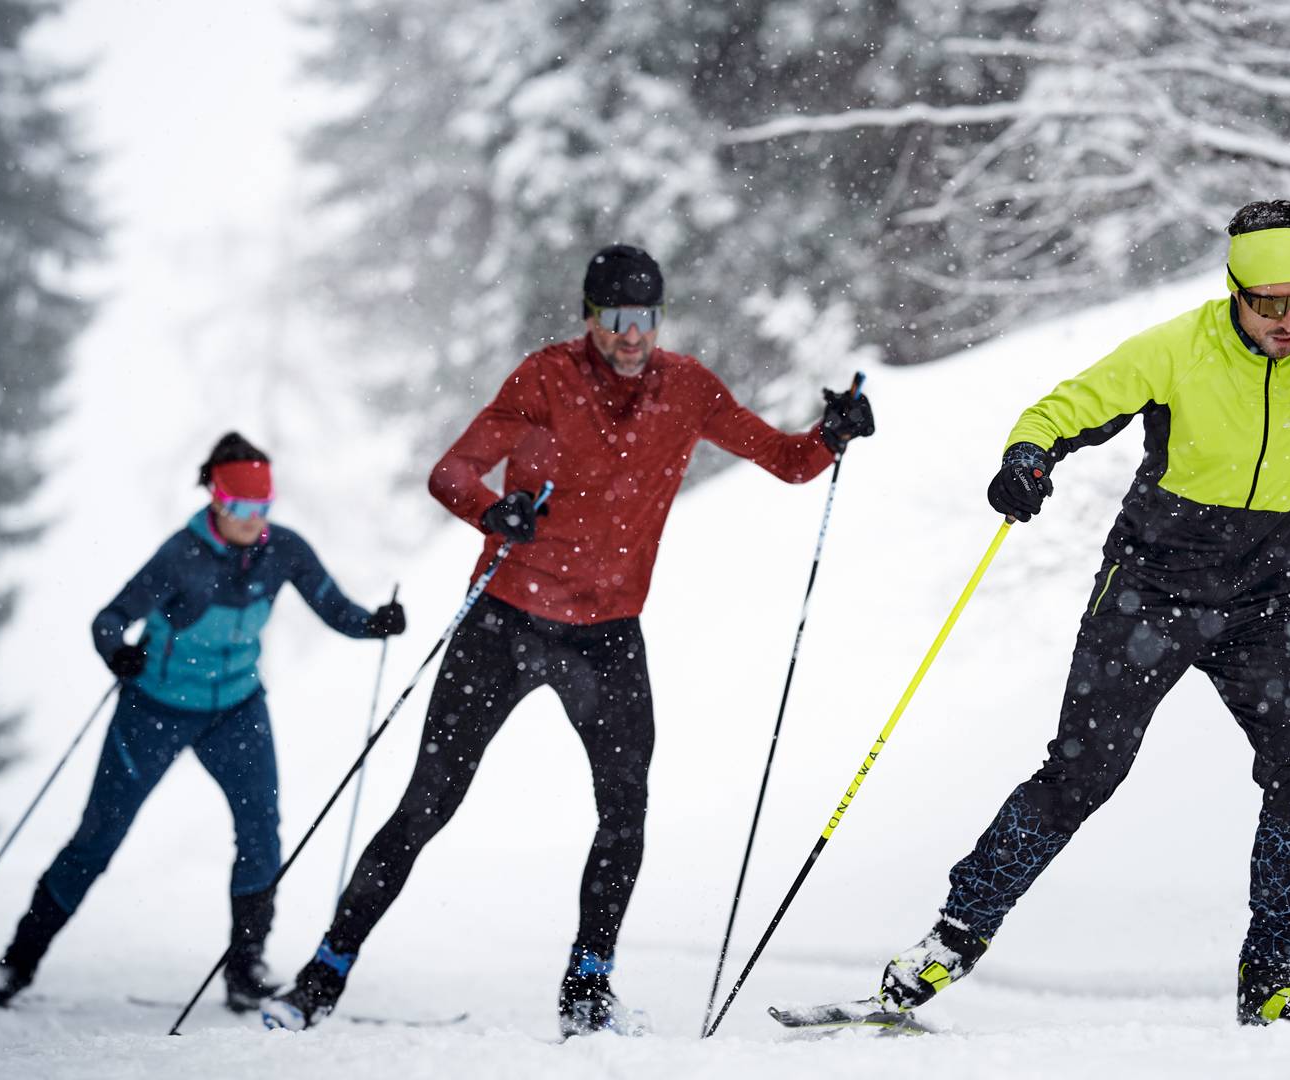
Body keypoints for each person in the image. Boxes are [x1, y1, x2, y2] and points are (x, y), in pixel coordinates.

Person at [854, 200, 1290, 1027]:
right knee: (1082, 774)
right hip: (1151, 591)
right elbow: (1061, 410)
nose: (1289, 321)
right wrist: (1028, 459)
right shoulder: (1178, 348)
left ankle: (1273, 982)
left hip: (1267, 605)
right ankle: (946, 946)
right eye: (1268, 303)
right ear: (1233, 290)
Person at [263, 244, 876, 1037]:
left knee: (625, 811)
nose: (632, 335)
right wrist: (494, 513)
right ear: (589, 317)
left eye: (645, 318)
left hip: (607, 637)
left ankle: (587, 986)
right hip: (506, 623)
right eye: (617, 318)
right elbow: (452, 473)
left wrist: (833, 433)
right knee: (429, 801)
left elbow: (789, 463)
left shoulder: (687, 388)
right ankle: (323, 972)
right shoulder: (545, 378)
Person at [0, 433, 407, 1013]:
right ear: (216, 499)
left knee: (261, 830)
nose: (254, 521)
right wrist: (117, 653)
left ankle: (245, 969)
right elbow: (109, 619)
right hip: (154, 711)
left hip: (236, 709)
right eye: (242, 508)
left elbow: (337, 610)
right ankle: (16, 965)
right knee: (98, 840)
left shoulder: (285, 552)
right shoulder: (181, 555)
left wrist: (376, 624)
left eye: (264, 507)